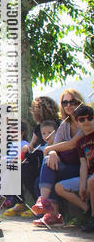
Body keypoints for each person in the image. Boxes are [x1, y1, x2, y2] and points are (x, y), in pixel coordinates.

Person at [32, 88, 85, 227]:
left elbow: (72, 144)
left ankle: (47, 206)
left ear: (79, 102)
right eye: (65, 102)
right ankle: (52, 213)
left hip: (83, 167)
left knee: (48, 165)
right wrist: (53, 153)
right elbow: (55, 146)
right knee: (49, 162)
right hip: (69, 168)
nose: (68, 105)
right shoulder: (64, 125)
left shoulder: (85, 121)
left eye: (72, 101)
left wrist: (50, 149)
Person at [52, 103, 94, 233]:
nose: (86, 121)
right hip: (89, 176)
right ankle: (88, 210)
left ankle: (93, 218)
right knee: (59, 187)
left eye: (90, 118)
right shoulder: (81, 142)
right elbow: (83, 165)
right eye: (82, 119)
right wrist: (82, 185)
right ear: (77, 122)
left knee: (91, 182)